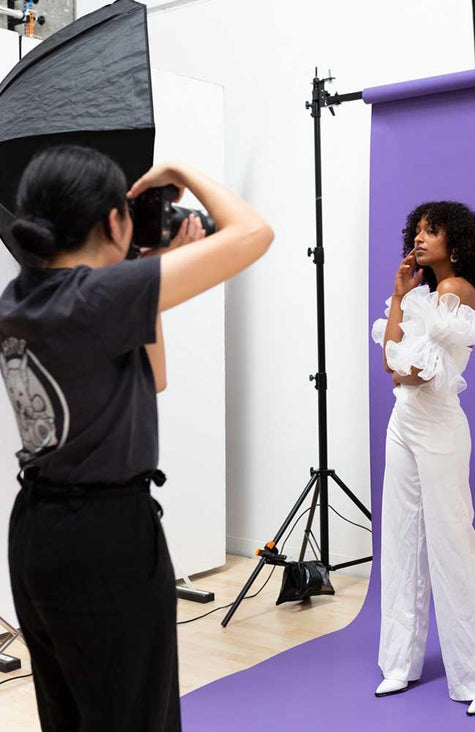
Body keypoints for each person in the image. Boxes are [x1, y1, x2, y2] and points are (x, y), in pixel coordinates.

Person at [0, 145, 273, 731]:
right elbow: (253, 233)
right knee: (136, 716)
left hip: (38, 532)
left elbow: (155, 377)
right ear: (111, 220)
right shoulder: (98, 296)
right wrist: (180, 172)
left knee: (70, 713)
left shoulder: (23, 297)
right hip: (106, 537)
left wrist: (146, 272)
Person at [371, 201, 475, 716]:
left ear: (454, 246)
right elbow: (389, 362)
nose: (418, 237)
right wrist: (398, 295)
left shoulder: (458, 290)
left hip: (437, 426)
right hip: (403, 422)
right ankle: (398, 663)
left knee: (453, 542)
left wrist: (402, 364)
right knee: (401, 537)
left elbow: (418, 371)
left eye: (430, 231)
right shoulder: (420, 296)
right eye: (416, 229)